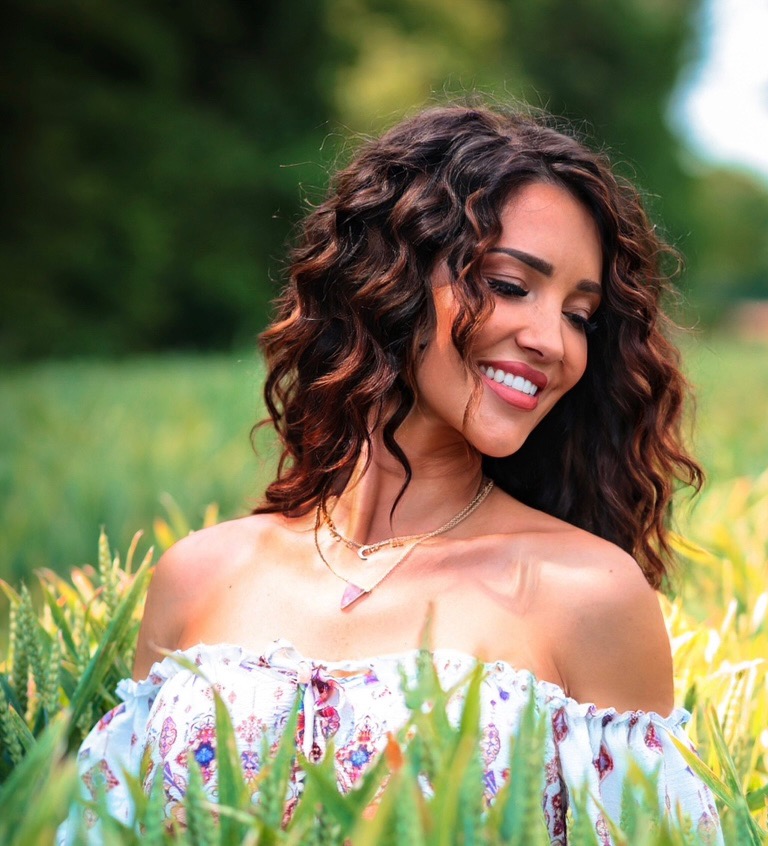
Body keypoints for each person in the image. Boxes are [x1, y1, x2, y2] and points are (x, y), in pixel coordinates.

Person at [69, 104, 723, 843]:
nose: (553, 342)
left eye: (581, 315)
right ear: (389, 278)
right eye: (510, 285)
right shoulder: (198, 575)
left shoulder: (589, 595)